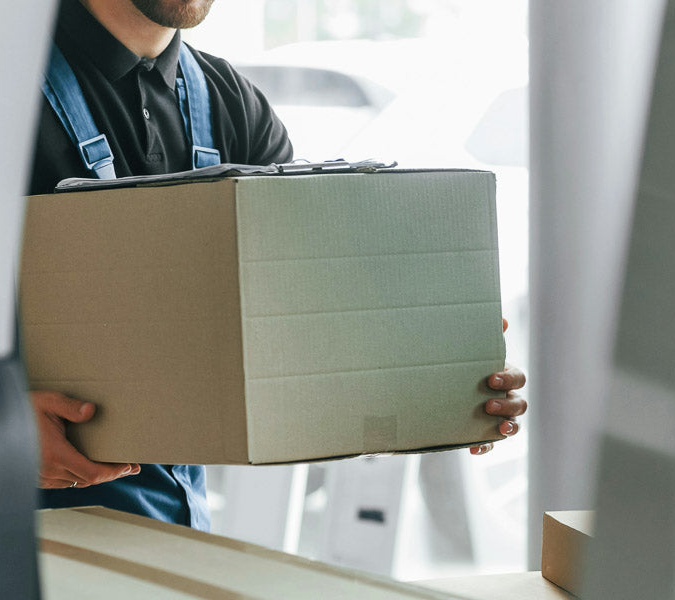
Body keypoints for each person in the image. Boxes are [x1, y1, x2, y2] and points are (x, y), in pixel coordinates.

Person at [28, 0, 527, 531]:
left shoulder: (229, 101)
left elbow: (305, 310)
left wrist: (446, 360)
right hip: (2, 527)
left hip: (172, 532)